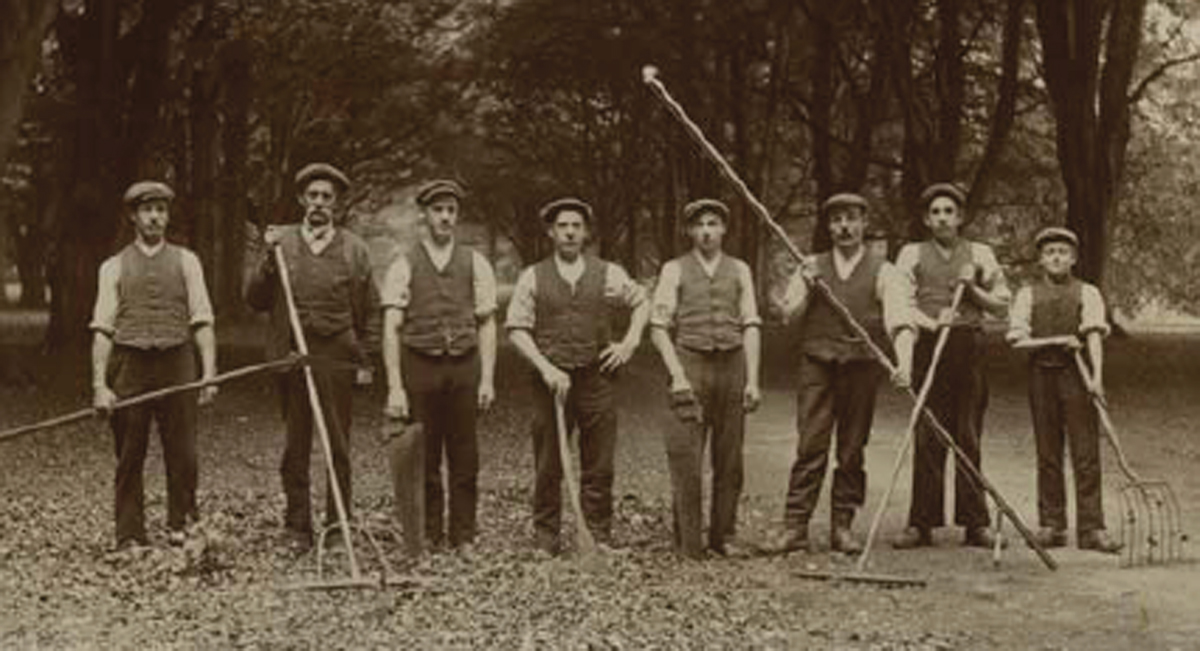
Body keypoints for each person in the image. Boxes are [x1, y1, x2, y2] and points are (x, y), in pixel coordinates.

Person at [245, 162, 379, 553]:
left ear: (336, 204)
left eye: (327, 197)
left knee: (337, 443)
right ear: (302, 200)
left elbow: (371, 309)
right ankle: (297, 527)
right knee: (296, 445)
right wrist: (268, 262)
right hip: (293, 355)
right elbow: (254, 299)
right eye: (313, 196)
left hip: (337, 355)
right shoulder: (281, 243)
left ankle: (338, 526)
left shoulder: (355, 249)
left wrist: (366, 360)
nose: (319, 203)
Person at [505, 197, 649, 555]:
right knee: (548, 461)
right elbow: (516, 329)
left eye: (576, 226)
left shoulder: (607, 273)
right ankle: (546, 538)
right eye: (562, 226)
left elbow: (642, 301)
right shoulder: (533, 276)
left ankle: (597, 536)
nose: (569, 232)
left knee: (599, 461)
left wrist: (629, 343)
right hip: (549, 383)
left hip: (596, 378)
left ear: (585, 233)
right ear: (551, 233)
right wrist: (546, 367)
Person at [776, 193, 915, 554]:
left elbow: (899, 321)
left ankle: (843, 526)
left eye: (852, 218)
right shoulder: (810, 265)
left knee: (852, 449)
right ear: (828, 226)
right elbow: (788, 315)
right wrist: (806, 286)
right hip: (817, 363)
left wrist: (904, 363)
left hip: (861, 366)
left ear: (864, 224)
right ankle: (795, 526)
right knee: (810, 444)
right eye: (837, 220)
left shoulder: (884, 270)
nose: (844, 227)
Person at [90, 181, 217, 549]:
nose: (155, 217)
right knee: (130, 452)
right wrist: (100, 384)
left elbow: (203, 320)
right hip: (129, 363)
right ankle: (130, 533)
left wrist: (208, 373)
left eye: (161, 210)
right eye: (147, 210)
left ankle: (183, 525)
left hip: (177, 361)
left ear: (168, 215)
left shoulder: (187, 261)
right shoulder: (112, 267)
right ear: (133, 216)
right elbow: (102, 330)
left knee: (184, 452)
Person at [891, 183, 1011, 550]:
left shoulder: (980, 254)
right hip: (929, 346)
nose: (942, 217)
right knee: (928, 434)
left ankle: (975, 523)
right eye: (936, 212)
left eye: (949, 211)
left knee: (968, 434)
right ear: (927, 219)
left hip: (968, 348)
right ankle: (920, 523)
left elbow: (1002, 305)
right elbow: (900, 303)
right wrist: (931, 322)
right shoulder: (911, 253)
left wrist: (972, 289)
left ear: (960, 217)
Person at [381, 179, 498, 550]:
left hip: (464, 366)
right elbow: (391, 326)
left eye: (451, 211)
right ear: (425, 215)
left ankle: (463, 534)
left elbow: (487, 323)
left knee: (465, 455)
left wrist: (488, 379)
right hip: (421, 365)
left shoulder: (475, 262)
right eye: (438, 210)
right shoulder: (404, 264)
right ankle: (429, 532)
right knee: (424, 454)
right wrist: (396, 386)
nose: (445, 218)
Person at [648, 199, 761, 559]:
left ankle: (723, 535)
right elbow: (658, 327)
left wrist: (753, 379)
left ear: (724, 229)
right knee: (687, 455)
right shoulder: (674, 269)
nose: (707, 231)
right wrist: (677, 374)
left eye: (714, 224)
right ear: (690, 231)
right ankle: (688, 541)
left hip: (732, 365)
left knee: (729, 459)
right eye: (700, 225)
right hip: (691, 364)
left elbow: (751, 324)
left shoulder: (740, 269)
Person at [1006, 227, 1121, 553]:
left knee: (1086, 453)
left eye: (1063, 252)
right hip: (1041, 376)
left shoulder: (1088, 293)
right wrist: (1055, 340)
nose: (1056, 257)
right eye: (1050, 252)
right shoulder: (1028, 294)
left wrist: (1097, 377)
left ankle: (1092, 528)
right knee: (1048, 452)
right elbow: (1017, 340)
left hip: (1077, 377)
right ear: (1041, 260)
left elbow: (1095, 335)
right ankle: (1052, 524)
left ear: (1073, 258)